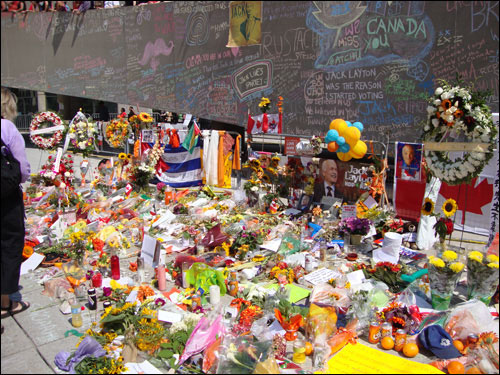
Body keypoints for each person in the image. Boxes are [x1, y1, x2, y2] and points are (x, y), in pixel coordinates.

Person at [1, 88, 31, 323]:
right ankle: (5, 303)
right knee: (10, 244)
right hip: (5, 197)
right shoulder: (7, 128)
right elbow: (22, 168)